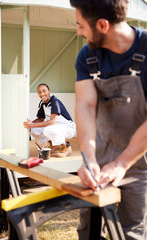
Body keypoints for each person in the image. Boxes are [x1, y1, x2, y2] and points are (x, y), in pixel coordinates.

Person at [70, 0, 147, 239]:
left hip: (140, 161)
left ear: (102, 25)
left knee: (131, 231)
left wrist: (122, 163)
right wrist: (89, 157)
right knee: (88, 228)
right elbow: (85, 106)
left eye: (81, 25)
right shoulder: (87, 57)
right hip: (99, 158)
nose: (79, 31)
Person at [23, 83, 76, 157]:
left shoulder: (55, 101)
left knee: (48, 130)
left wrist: (33, 124)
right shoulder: (43, 104)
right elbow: (41, 119)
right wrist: (30, 124)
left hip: (68, 128)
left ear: (49, 91)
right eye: (39, 92)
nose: (42, 94)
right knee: (33, 129)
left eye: (44, 91)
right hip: (55, 127)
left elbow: (52, 121)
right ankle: (51, 143)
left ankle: (66, 146)